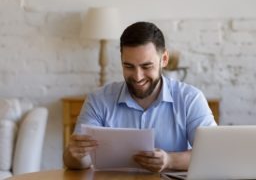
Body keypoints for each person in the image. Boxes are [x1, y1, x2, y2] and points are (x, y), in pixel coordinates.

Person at [63, 21, 217, 172]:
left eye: (146, 66)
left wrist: (169, 161)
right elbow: (77, 161)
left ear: (164, 59)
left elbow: (212, 154)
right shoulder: (98, 100)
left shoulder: (190, 99)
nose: (137, 77)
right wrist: (74, 156)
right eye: (129, 66)